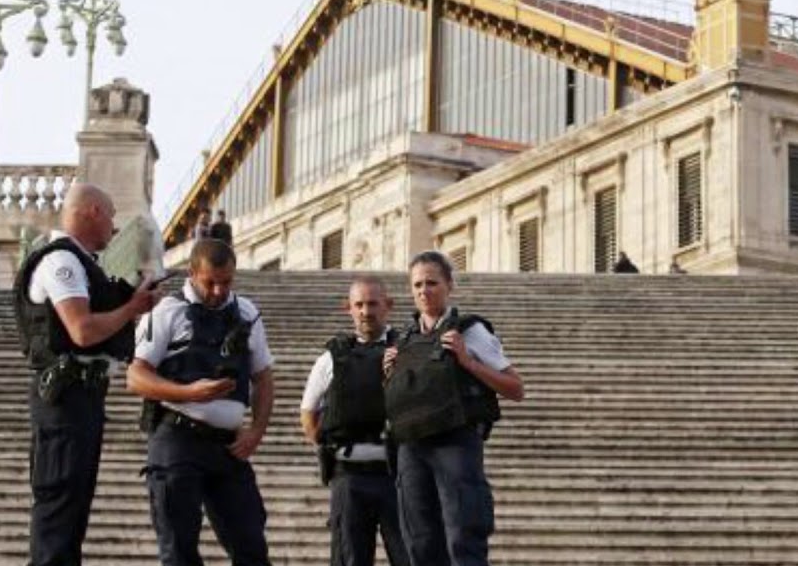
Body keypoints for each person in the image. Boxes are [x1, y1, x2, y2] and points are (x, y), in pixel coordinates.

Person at [12, 183, 162, 566]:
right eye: (111, 217)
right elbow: (81, 330)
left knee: (72, 513)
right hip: (64, 400)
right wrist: (131, 310)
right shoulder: (60, 262)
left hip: (83, 399)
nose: (114, 229)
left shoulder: (83, 264)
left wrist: (131, 302)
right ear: (92, 211)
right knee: (58, 513)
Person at [127, 238, 276, 566]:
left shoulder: (247, 313)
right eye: (211, 282)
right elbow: (135, 377)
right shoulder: (167, 311)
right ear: (193, 274)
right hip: (178, 440)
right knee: (179, 549)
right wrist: (190, 393)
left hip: (228, 447)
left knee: (251, 543)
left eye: (227, 282)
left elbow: (263, 377)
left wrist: (256, 432)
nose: (220, 291)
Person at [383, 251, 525, 566]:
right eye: (417, 284)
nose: (424, 290)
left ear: (449, 285)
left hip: (455, 443)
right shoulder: (404, 339)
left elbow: (515, 388)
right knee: (419, 541)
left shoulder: (469, 331)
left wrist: (468, 361)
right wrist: (390, 375)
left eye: (432, 282)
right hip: (412, 448)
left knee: (462, 537)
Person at [300, 276, 411, 566]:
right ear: (347, 308)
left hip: (398, 477)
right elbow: (308, 413)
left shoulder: (409, 350)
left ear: (388, 306)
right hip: (348, 478)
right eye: (359, 304)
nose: (366, 311)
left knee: (410, 556)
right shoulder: (330, 358)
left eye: (373, 303)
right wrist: (329, 444)